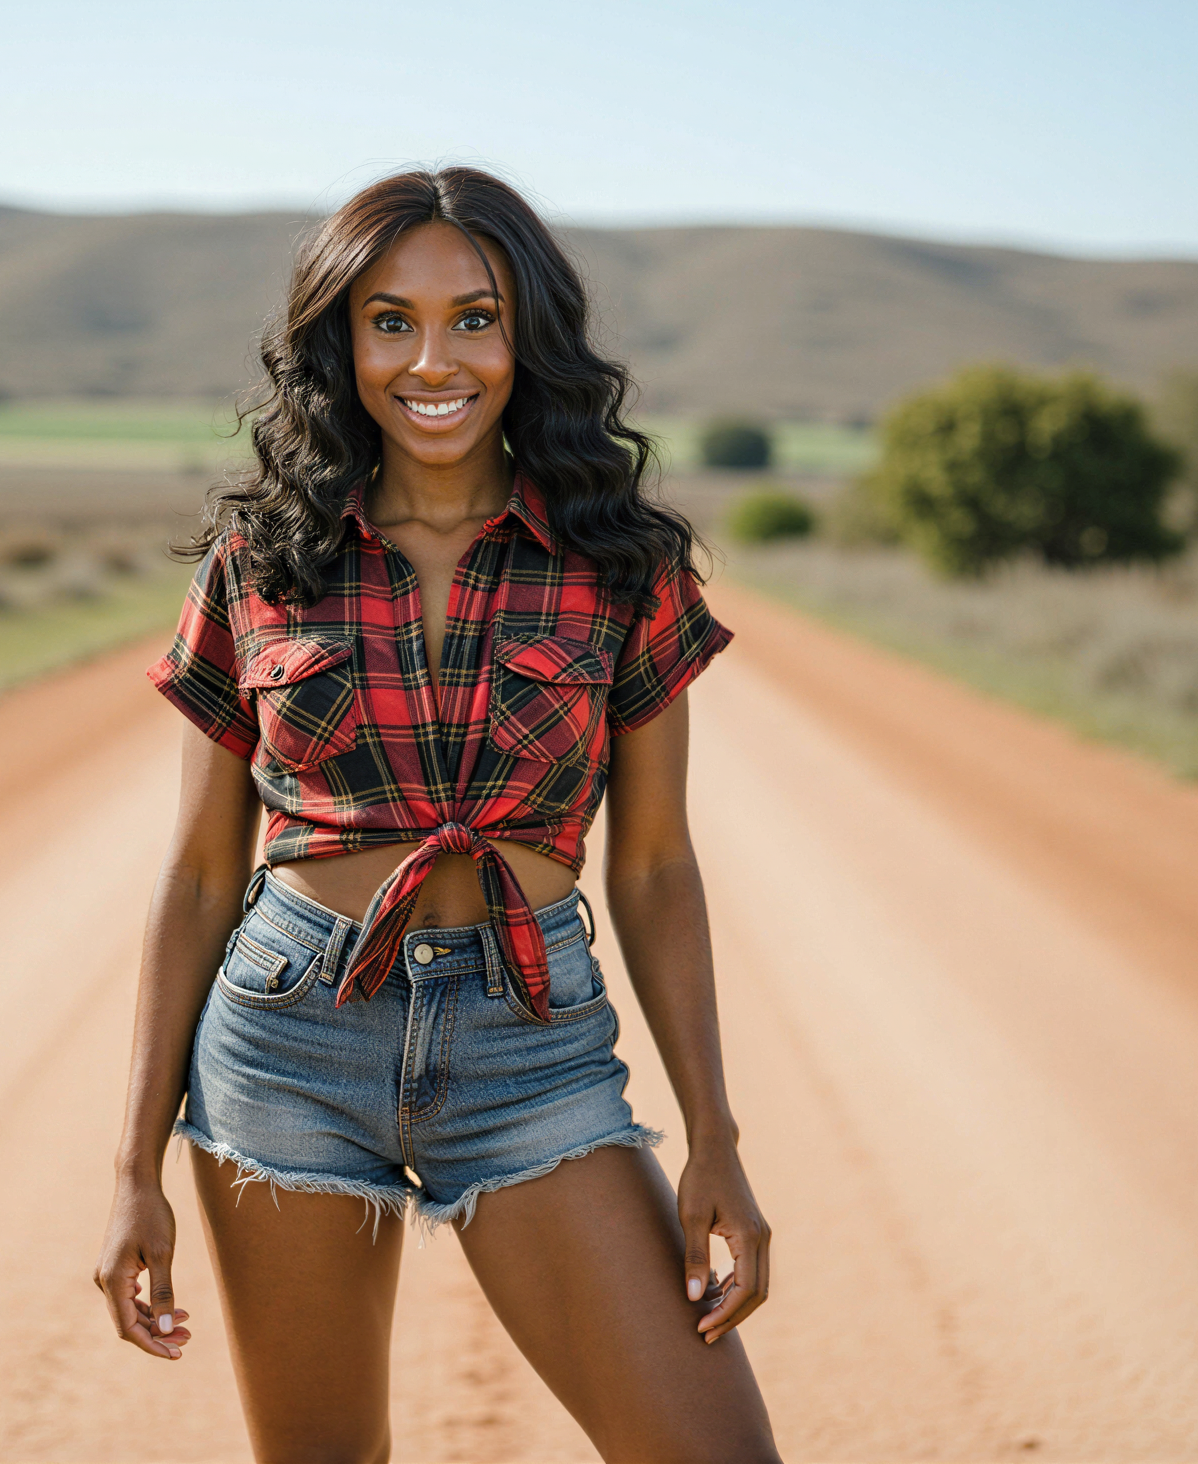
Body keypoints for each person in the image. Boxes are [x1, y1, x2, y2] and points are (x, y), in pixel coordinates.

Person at [95, 165, 782, 1463]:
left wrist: (716, 1141)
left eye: (475, 317)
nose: (433, 359)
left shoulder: (620, 561)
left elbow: (655, 870)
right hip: (288, 1042)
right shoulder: (261, 558)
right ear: (340, 342)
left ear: (529, 336)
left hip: (530, 1049)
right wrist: (134, 1167)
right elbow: (195, 877)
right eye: (389, 320)